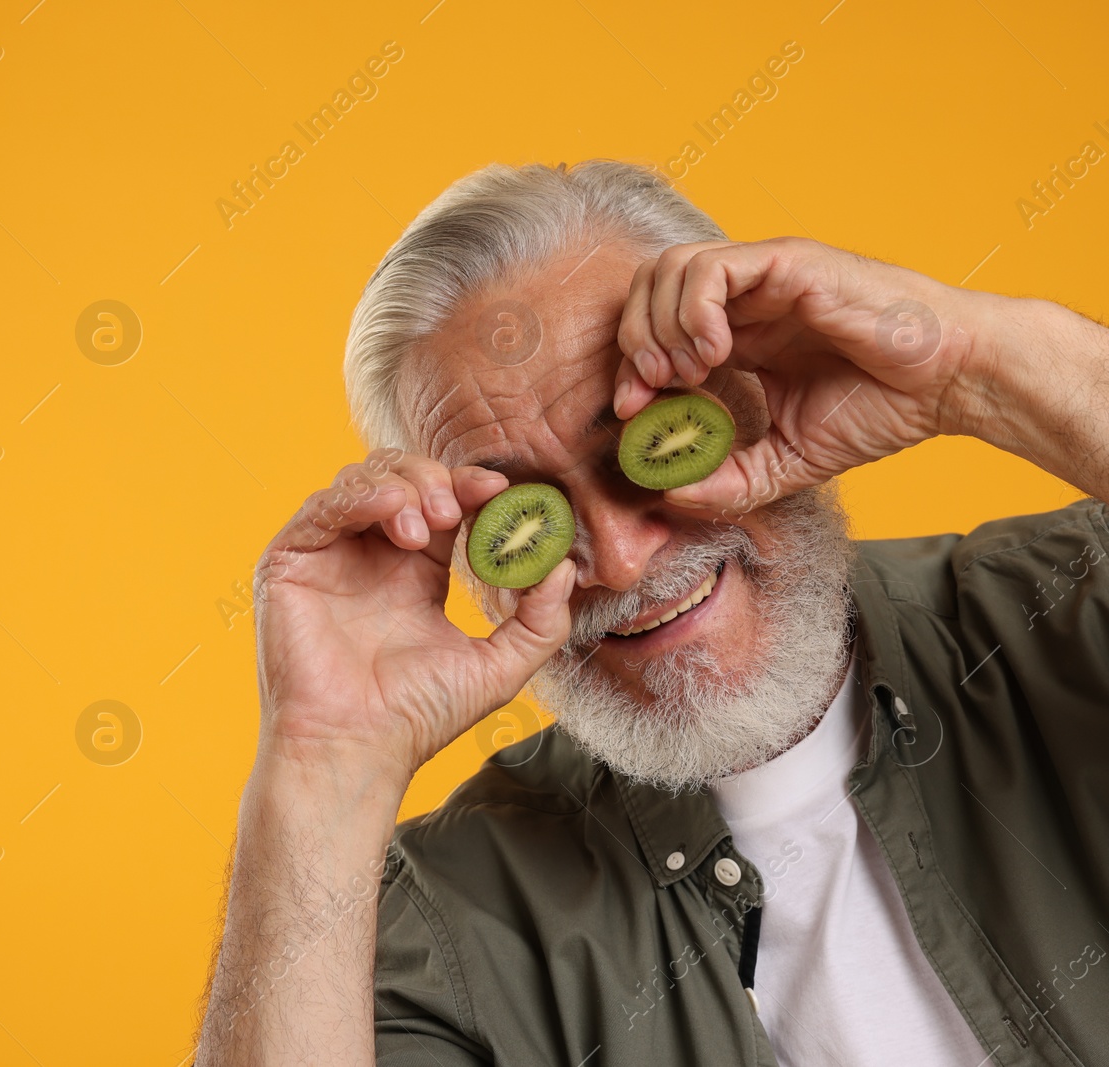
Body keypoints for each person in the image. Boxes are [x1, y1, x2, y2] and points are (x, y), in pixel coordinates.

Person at [194, 159, 1109, 1066]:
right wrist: (316, 769)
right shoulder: (446, 932)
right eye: (523, 517)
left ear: (758, 380)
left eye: (647, 446)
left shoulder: (1069, 607)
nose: (623, 558)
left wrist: (971, 367)